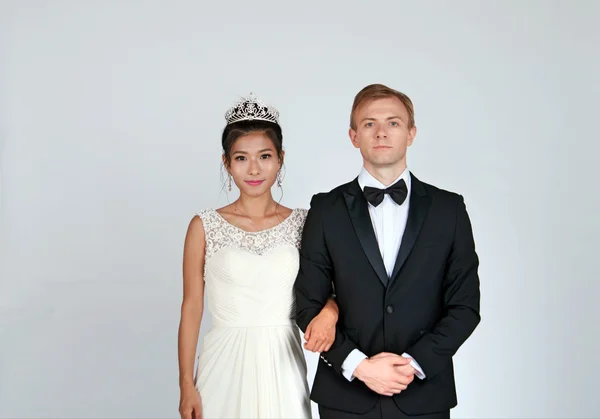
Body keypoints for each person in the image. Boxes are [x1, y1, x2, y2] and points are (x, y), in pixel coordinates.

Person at [294, 83, 481, 419]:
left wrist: (410, 365)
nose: (381, 132)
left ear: (411, 133)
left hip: (424, 394)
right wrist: (360, 367)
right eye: (369, 124)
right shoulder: (325, 210)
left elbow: (465, 307)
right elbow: (308, 304)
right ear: (353, 136)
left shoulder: (449, 209)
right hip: (344, 395)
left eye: (393, 123)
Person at [177, 93, 340, 419]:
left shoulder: (305, 223)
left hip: (282, 363)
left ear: (280, 158)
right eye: (241, 158)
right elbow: (192, 307)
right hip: (221, 363)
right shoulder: (203, 226)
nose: (254, 169)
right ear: (227, 162)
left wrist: (331, 313)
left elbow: (335, 288)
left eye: (264, 156)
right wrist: (185, 386)